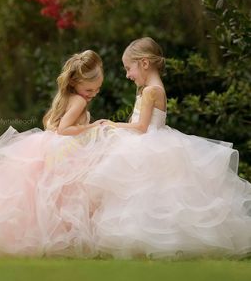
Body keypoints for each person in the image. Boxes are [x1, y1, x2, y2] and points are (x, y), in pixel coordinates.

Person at [83, 37, 251, 259]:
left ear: (144, 63)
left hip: (148, 144)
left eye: (128, 68)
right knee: (143, 196)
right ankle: (144, 245)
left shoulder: (151, 91)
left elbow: (142, 127)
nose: (127, 75)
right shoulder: (148, 89)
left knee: (146, 195)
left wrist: (112, 124)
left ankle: (149, 243)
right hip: (148, 141)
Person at [0, 50, 106, 257]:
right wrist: (92, 127)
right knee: (66, 197)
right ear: (75, 82)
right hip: (64, 151)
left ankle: (42, 240)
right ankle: (63, 241)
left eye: (97, 89)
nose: (93, 93)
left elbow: (51, 123)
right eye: (89, 89)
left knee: (43, 197)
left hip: (49, 146)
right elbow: (63, 130)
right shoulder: (78, 101)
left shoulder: (66, 97)